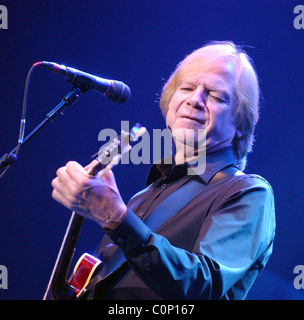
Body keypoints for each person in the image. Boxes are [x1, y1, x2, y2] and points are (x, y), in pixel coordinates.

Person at [51, 41, 275, 300]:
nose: (195, 100)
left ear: (239, 122)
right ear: (169, 103)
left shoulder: (248, 192)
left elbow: (200, 286)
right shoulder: (143, 196)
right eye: (187, 88)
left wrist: (117, 217)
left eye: (214, 95)